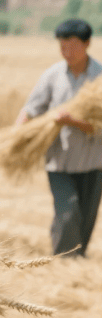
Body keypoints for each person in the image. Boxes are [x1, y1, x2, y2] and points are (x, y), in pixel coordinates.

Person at [15, 18, 102, 258]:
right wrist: (17, 132)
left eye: (72, 46)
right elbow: (31, 108)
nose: (67, 52)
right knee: (68, 211)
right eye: (63, 46)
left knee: (86, 217)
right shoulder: (52, 76)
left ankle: (76, 259)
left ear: (87, 44)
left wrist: (73, 122)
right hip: (59, 161)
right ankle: (64, 261)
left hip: (93, 161)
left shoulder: (100, 77)